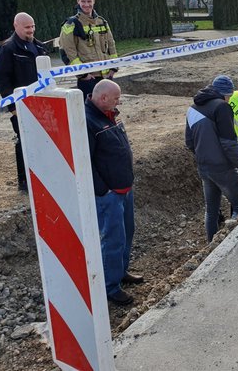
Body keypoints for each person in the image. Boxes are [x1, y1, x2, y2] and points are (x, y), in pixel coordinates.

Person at [85, 79, 144, 306]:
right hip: (109, 195)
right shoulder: (89, 121)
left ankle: (121, 272)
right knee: (113, 239)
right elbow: (86, 161)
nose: (119, 102)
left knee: (127, 232)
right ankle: (110, 287)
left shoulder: (110, 114)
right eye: (116, 98)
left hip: (124, 188)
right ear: (102, 98)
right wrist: (104, 190)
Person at [185, 75, 238, 242]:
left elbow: (189, 142)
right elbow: (229, 143)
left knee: (211, 210)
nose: (229, 100)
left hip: (204, 167)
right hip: (222, 167)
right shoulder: (222, 107)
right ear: (225, 94)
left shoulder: (192, 108)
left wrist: (204, 154)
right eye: (229, 96)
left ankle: (211, 245)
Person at [0, 12, 48, 192]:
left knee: (42, 140)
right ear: (16, 26)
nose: (31, 30)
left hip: (41, 103)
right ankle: (24, 181)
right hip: (21, 105)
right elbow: (2, 79)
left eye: (32, 27)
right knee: (23, 141)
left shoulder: (39, 47)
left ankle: (42, 173)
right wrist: (12, 107)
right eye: (27, 27)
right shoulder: (8, 49)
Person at [59, 0, 118, 98]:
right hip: (88, 79)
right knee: (90, 112)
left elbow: (111, 46)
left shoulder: (102, 22)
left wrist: (114, 67)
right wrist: (83, 74)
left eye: (89, 1)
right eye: (83, 1)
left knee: (110, 110)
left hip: (106, 76)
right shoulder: (71, 24)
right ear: (78, 1)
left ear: (94, 0)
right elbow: (67, 52)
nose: (86, 4)